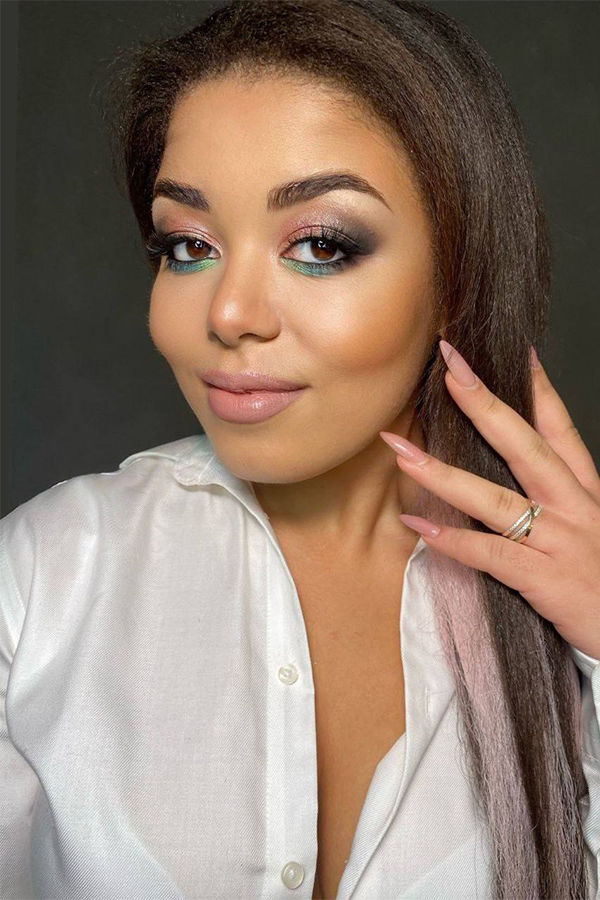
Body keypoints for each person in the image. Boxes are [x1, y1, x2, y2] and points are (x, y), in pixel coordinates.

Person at [2, 1, 599, 897]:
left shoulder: (571, 617)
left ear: (457, 278)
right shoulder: (43, 579)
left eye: (320, 244)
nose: (229, 314)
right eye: (188, 245)